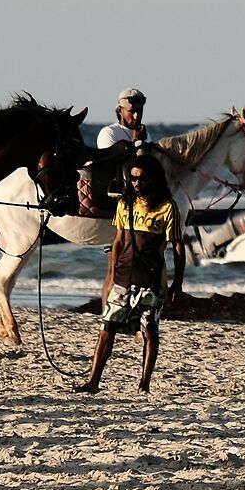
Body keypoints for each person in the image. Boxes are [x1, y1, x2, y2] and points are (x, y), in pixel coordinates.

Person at [75, 152, 178, 394]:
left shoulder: (167, 208)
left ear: (152, 179)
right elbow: (119, 242)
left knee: (150, 330)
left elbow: (178, 246)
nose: (136, 183)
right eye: (132, 179)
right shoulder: (125, 204)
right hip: (123, 276)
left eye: (141, 179)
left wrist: (178, 283)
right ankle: (93, 381)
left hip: (151, 280)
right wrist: (110, 275)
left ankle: (144, 383)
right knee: (106, 328)